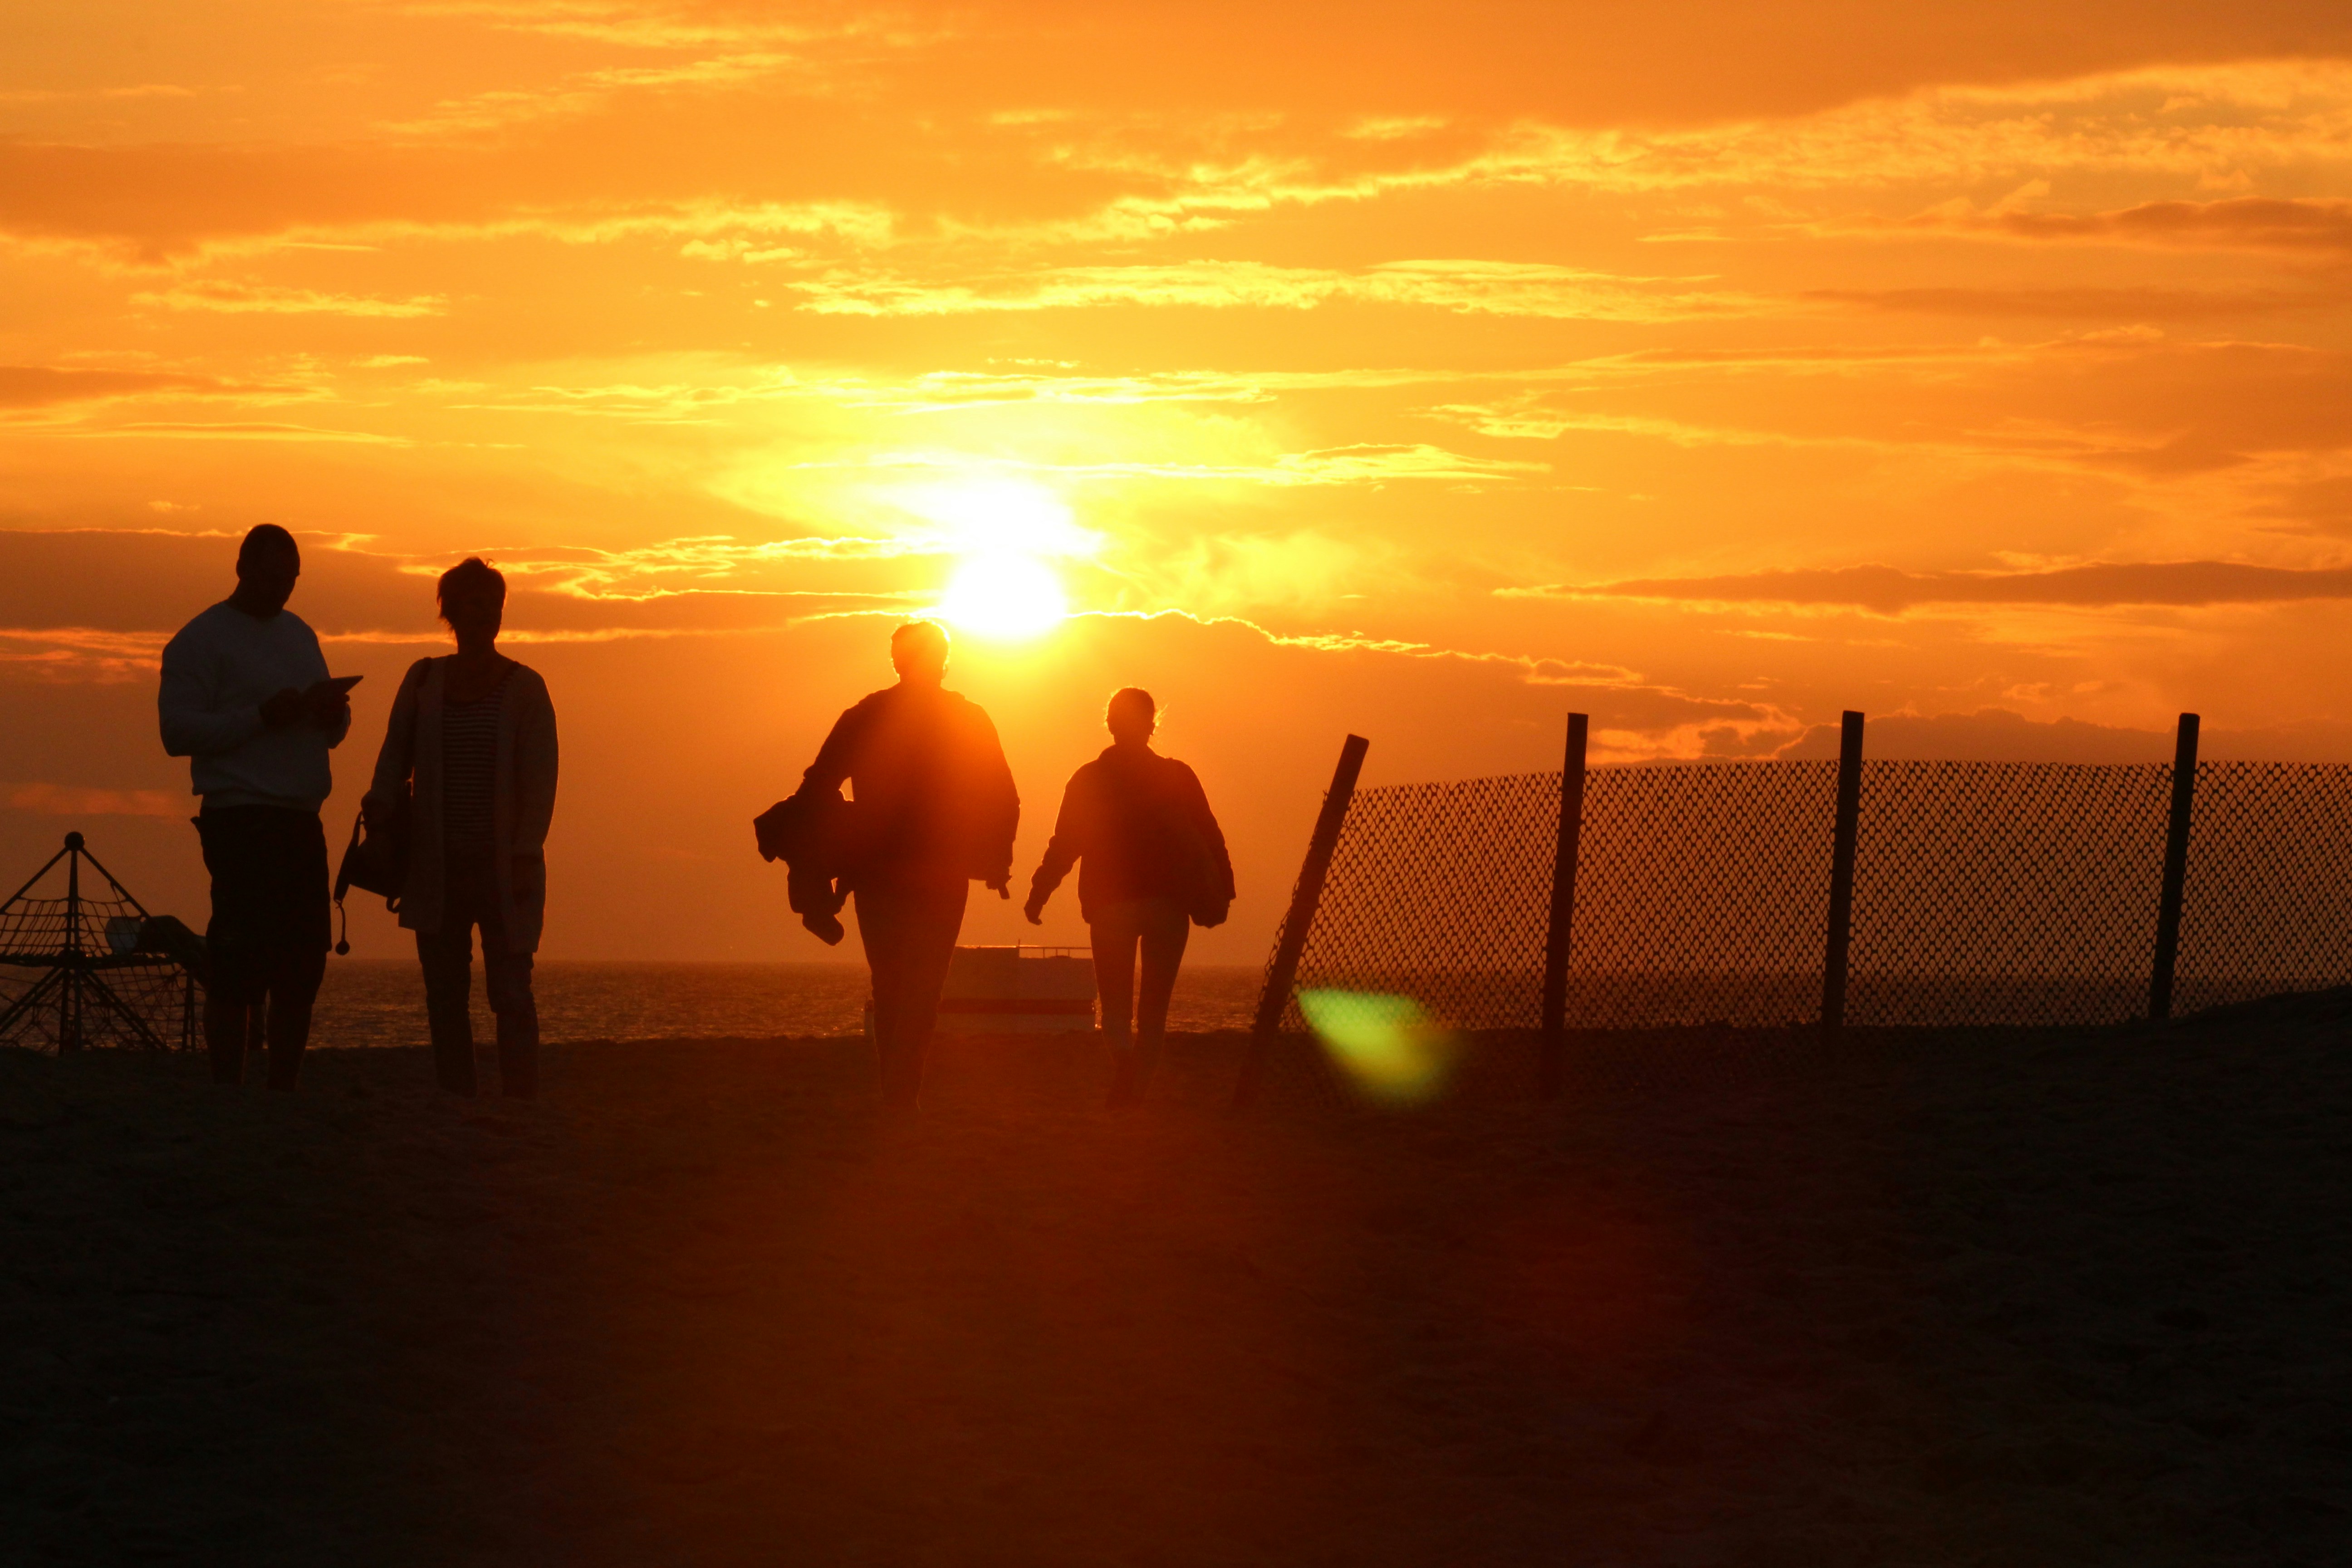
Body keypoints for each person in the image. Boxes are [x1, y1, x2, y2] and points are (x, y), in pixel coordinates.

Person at [159, 524, 352, 1089]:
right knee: (239, 959)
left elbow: (333, 734)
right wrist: (259, 718)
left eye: (291, 579)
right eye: (272, 576)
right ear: (242, 568)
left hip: (300, 817)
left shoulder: (300, 635)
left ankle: (283, 1087)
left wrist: (331, 715)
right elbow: (177, 732)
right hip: (240, 817)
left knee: (302, 964)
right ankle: (228, 1085)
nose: (282, 589)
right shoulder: (200, 640)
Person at [800, 620, 1017, 1107]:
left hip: (877, 872)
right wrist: (998, 859)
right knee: (923, 988)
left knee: (892, 984)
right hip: (941, 872)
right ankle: (903, 1093)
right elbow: (1003, 796)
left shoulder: (865, 715)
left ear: (898, 662)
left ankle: (895, 1093)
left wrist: (828, 844)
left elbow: (817, 786)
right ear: (943, 661)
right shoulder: (969, 718)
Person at [365, 559, 558, 1099]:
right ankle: (458, 1095)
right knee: (444, 993)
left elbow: (541, 785)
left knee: (512, 991)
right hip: (437, 868)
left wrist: (524, 854)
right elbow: (392, 761)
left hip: (503, 870)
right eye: (472, 602)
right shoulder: (424, 680)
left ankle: (520, 1097)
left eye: (492, 603)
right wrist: (379, 818)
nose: (484, 613)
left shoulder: (526, 689)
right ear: (449, 611)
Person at [1025, 687, 1234, 1107]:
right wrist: (1224, 890)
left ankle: (1124, 1066)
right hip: (1168, 905)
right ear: (1153, 724)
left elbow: (1065, 842)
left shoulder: (1089, 778)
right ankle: (1137, 1090)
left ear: (1110, 724)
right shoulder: (1178, 775)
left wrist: (1040, 892)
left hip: (1110, 905)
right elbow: (1210, 836)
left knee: (1115, 1005)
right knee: (1154, 1010)